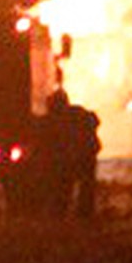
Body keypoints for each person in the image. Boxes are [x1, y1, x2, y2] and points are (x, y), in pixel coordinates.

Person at [44, 88, 101, 219]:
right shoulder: (78, 112)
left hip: (79, 154)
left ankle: (64, 213)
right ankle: (84, 213)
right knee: (85, 185)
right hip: (86, 154)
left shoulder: (56, 120)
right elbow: (95, 120)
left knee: (66, 184)